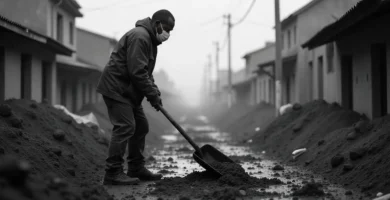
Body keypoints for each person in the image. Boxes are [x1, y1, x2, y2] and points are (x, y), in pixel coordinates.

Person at [96, 9, 175, 185]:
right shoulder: (141, 37)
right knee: (125, 126)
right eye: (167, 29)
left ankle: (136, 168)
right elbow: (137, 72)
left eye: (171, 31)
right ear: (157, 24)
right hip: (117, 88)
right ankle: (113, 172)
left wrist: (155, 92)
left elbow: (145, 72)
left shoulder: (150, 40)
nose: (168, 34)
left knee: (141, 126)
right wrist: (151, 94)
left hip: (129, 91)